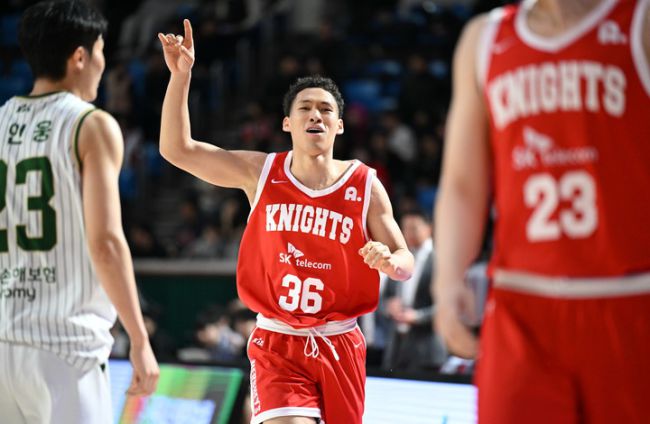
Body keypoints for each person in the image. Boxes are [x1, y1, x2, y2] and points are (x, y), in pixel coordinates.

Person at [158, 20, 414, 424]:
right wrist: (180, 77)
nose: (316, 115)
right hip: (278, 340)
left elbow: (405, 260)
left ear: (339, 125)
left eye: (326, 109)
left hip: (340, 342)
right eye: (305, 108)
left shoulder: (364, 183)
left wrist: (391, 262)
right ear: (287, 123)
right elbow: (178, 149)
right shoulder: (260, 172)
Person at [433, 0, 650, 423]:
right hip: (521, 305)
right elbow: (462, 183)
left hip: (629, 299)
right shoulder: (484, 38)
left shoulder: (638, 21)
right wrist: (447, 281)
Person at [0, 2, 160, 423]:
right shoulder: (92, 124)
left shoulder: (0, 121)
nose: (103, 65)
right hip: (64, 346)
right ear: (79, 57)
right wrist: (139, 337)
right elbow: (105, 243)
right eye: (101, 52)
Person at [381, 209, 447, 372]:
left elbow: (446, 306)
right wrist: (389, 307)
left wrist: (417, 317)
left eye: (414, 228)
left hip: (427, 349)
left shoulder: (441, 260)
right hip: (397, 348)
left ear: (429, 228)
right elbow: (384, 298)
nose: (408, 233)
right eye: (405, 228)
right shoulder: (399, 259)